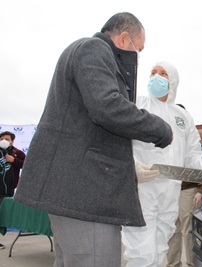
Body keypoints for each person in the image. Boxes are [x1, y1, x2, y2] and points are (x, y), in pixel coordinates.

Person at [13, 12, 173, 267]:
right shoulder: (94, 49)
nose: (137, 56)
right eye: (138, 48)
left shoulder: (89, 52)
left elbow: (92, 126)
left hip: (76, 189)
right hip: (84, 190)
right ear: (124, 38)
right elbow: (107, 107)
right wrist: (160, 129)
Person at [121, 61, 202, 267]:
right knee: (140, 250)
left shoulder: (182, 116)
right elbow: (120, 142)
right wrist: (133, 166)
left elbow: (192, 153)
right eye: (153, 72)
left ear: (173, 81)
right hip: (141, 189)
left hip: (169, 191)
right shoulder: (136, 105)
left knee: (161, 247)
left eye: (163, 74)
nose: (156, 77)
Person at [166, 123, 202, 266]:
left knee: (188, 230)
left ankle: (191, 264)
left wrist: (200, 189)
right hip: (171, 189)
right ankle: (173, 264)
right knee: (172, 230)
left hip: (188, 189)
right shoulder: (172, 136)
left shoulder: (199, 137)